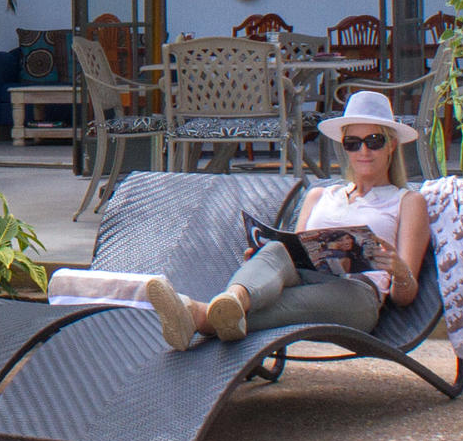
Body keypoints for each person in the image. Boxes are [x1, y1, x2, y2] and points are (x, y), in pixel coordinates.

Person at [144, 88, 428, 350]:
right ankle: (232, 300)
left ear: (391, 146)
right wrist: (260, 261)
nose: (363, 151)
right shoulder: (319, 195)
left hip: (357, 295)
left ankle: (199, 314)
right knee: (277, 249)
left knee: (289, 301)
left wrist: (399, 271)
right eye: (353, 143)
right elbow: (295, 257)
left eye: (374, 141)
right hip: (306, 280)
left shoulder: (407, 201)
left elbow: (406, 296)